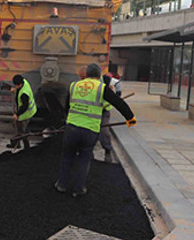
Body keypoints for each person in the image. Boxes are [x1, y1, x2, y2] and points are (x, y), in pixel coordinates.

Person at [56, 63, 136, 197]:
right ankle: (78, 189)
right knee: (84, 158)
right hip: (89, 130)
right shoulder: (102, 88)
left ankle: (61, 185)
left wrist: (67, 120)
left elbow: (67, 106)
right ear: (99, 75)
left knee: (67, 157)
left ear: (86, 74)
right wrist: (130, 117)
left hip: (72, 128)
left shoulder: (74, 85)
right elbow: (118, 102)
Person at [97, 73, 123, 164]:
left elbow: (118, 83)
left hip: (104, 111)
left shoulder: (104, 79)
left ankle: (108, 151)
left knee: (104, 132)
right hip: (90, 112)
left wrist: (118, 95)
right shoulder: (84, 82)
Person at [6, 74, 37, 149]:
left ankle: (25, 147)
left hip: (26, 112)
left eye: (16, 85)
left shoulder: (24, 94)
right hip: (24, 110)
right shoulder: (24, 82)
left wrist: (17, 114)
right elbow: (19, 89)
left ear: (20, 84)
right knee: (18, 126)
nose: (15, 86)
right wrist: (15, 90)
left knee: (22, 130)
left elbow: (24, 107)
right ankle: (17, 144)